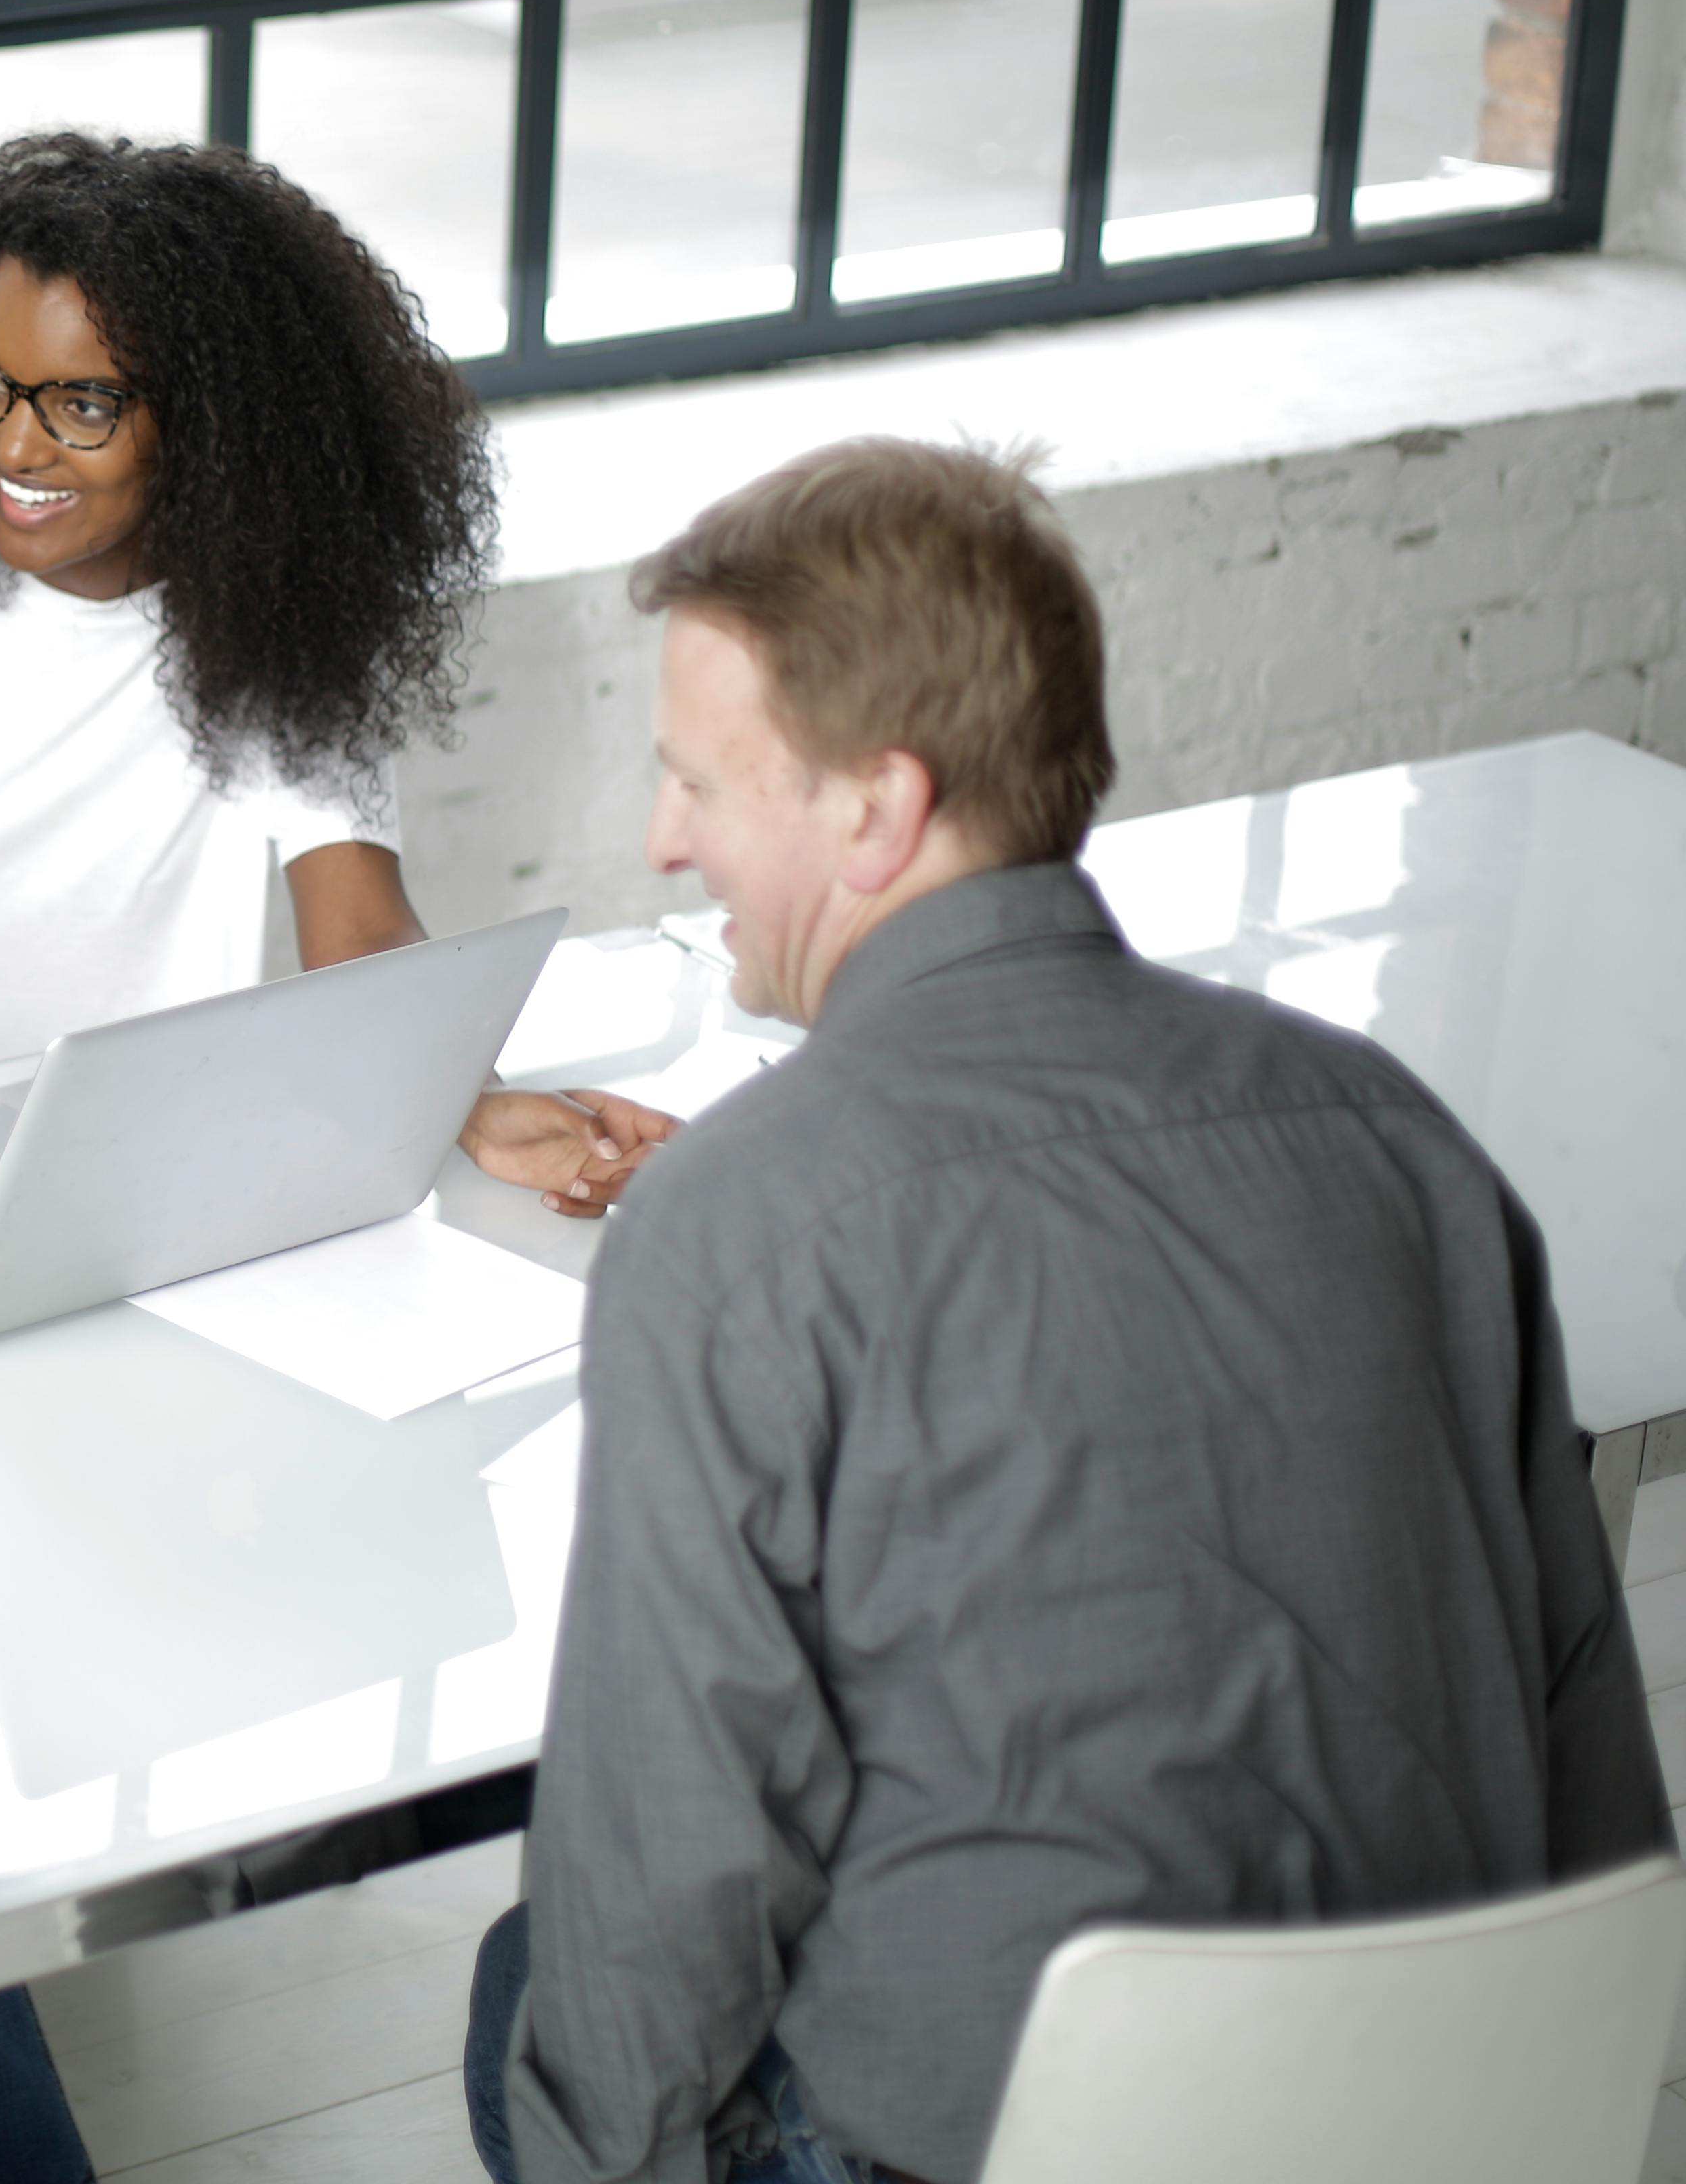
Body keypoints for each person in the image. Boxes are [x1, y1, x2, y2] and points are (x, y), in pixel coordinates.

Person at [464, 441, 1667, 2184]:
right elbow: (1576, 1706)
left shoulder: (737, 1226)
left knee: (539, 2004)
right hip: (1457, 2110)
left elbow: (675, 1857)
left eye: (699, 784)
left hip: (1016, 2146)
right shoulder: (1400, 1135)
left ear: (878, 807)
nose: (663, 841)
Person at [0, 133, 673, 1219]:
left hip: (106, 1139)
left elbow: (362, 934)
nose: (14, 446)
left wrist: (473, 1100)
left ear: (215, 425)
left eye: (83, 405)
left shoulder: (274, 627)